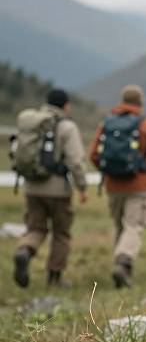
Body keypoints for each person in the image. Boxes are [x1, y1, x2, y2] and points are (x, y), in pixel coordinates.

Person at [89, 85, 146, 288]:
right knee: (133, 226)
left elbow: (94, 154)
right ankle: (123, 264)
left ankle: (120, 268)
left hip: (113, 185)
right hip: (138, 184)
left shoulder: (106, 122)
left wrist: (107, 172)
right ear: (140, 102)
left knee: (119, 226)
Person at [13, 89, 88, 288]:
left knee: (35, 228)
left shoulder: (32, 123)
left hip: (31, 187)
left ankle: (25, 251)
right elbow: (76, 160)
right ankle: (54, 278)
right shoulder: (67, 127)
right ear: (65, 105)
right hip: (58, 190)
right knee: (61, 233)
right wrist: (82, 186)